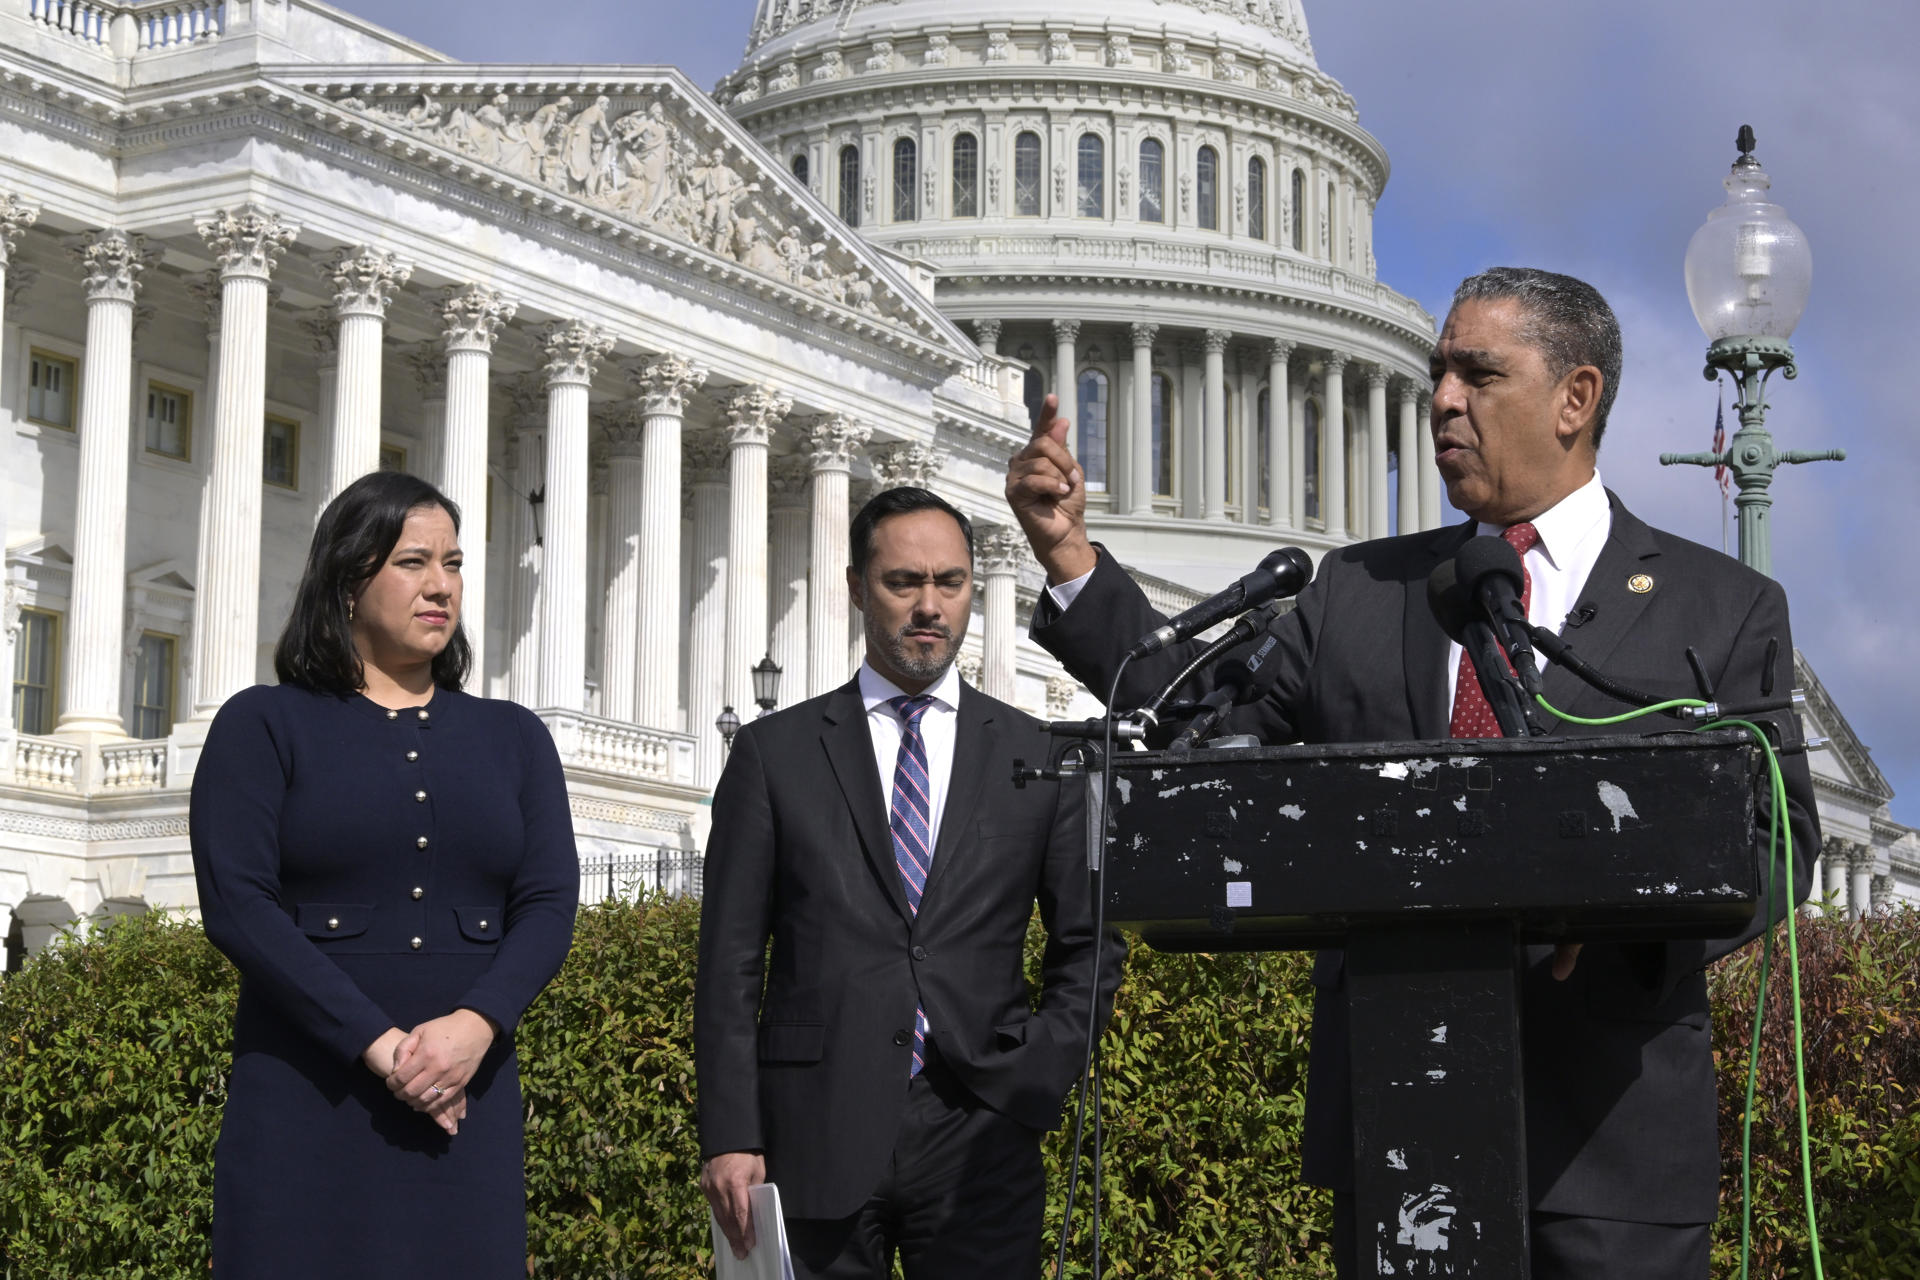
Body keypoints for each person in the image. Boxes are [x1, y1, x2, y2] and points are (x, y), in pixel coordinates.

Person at [1004, 267, 1819, 1280]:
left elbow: (1779, 838)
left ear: (1577, 397)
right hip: (1400, 1135)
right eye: (1439, 374)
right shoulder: (1359, 591)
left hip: (1614, 1151)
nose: (1441, 400)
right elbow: (1205, 726)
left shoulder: (1718, 604)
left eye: (1479, 374)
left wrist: (1622, 916)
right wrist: (1071, 554)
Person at [695, 486, 1127, 1279]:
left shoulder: (1039, 756)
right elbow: (726, 963)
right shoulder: (773, 756)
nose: (930, 606)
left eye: (951, 583)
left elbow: (1090, 942)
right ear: (857, 586)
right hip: (812, 1130)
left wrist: (1038, 1072)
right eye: (904, 583)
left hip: (983, 1132)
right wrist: (729, 1131)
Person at [190, 471, 579, 1279]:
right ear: (347, 578)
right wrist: (383, 1047)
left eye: (455, 562)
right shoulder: (262, 725)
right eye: (413, 562)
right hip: (305, 1102)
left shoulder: (515, 738)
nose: (441, 585)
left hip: (467, 1101)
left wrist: (477, 1024)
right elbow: (237, 906)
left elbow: (547, 902)